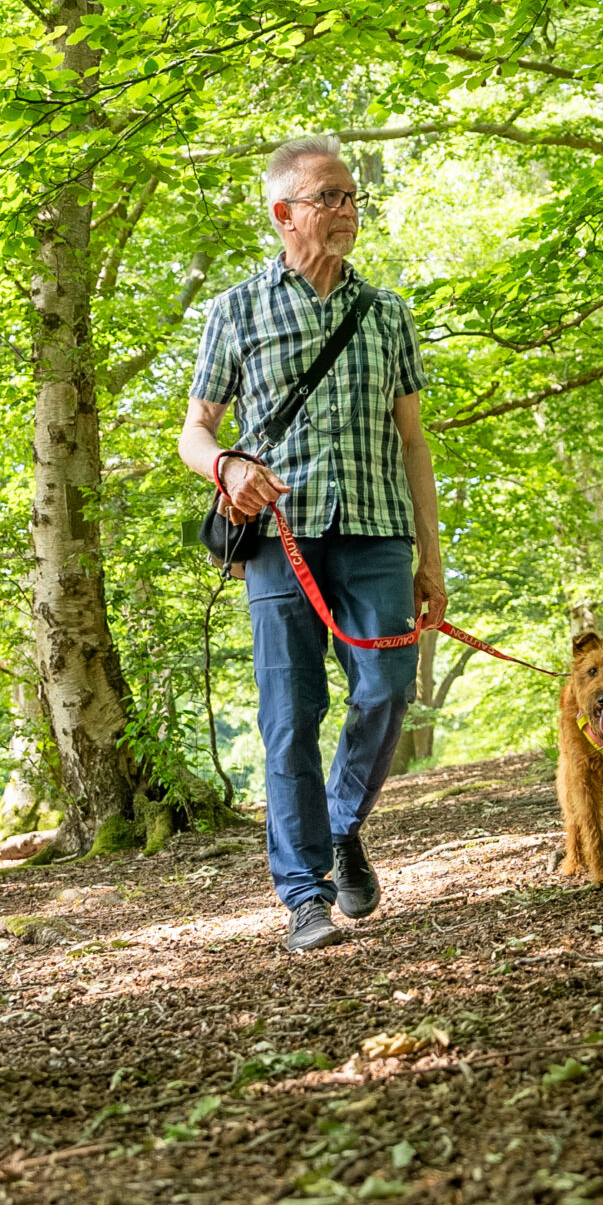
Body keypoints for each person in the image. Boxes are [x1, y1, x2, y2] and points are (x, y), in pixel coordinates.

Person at [179, 134, 448, 953]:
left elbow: (413, 442)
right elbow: (194, 432)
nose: (345, 210)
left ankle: (340, 826)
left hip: (376, 534)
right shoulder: (235, 310)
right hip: (279, 541)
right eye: (328, 196)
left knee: (389, 689)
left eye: (351, 196)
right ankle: (302, 896)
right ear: (282, 212)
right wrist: (224, 466)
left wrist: (430, 553)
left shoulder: (386, 312)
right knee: (290, 718)